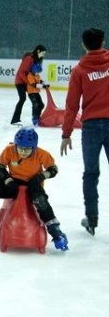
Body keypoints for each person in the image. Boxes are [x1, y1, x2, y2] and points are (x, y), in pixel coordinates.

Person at [0, 127, 69, 251]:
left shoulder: (42, 154)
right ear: (16, 145)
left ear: (34, 147)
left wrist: (40, 177)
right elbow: (0, 166)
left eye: (27, 149)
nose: (23, 152)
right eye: (20, 148)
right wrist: (8, 180)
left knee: (42, 203)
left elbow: (53, 169)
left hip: (33, 185)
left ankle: (57, 233)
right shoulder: (9, 150)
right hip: (12, 183)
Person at [60, 28, 109, 236]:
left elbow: (72, 105)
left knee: (90, 174)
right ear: (103, 42)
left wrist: (66, 134)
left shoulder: (79, 70)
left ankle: (91, 218)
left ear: (83, 45)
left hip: (91, 127)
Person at [10, 44, 47, 125]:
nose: (43, 55)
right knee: (22, 99)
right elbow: (21, 72)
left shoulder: (35, 60)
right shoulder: (29, 59)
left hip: (27, 82)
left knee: (39, 103)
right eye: (42, 53)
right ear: (38, 51)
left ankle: (37, 117)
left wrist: (39, 82)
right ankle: (15, 120)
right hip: (20, 82)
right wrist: (29, 82)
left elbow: (35, 74)